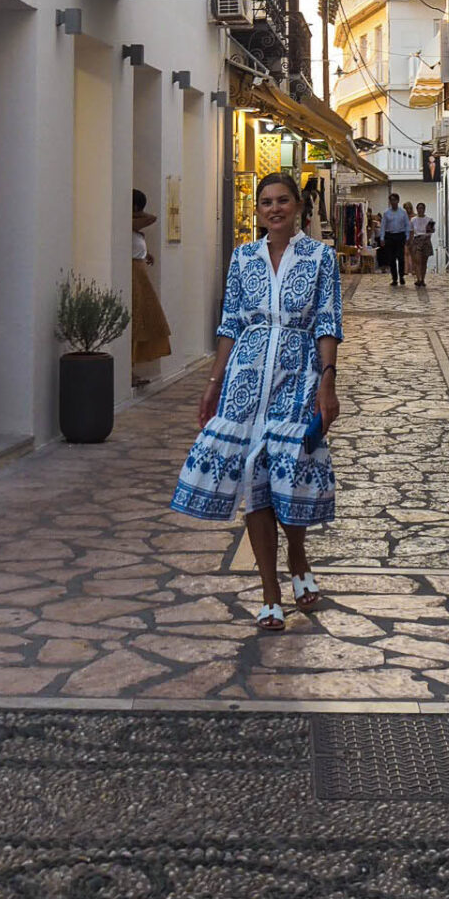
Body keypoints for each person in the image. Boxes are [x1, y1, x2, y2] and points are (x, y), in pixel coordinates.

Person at [172, 172, 342, 631]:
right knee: (253, 481)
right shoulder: (243, 258)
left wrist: (327, 381)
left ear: (298, 207)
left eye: (282, 200)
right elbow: (230, 323)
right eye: (266, 202)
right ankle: (270, 591)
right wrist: (213, 381)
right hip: (246, 382)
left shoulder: (321, 257)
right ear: (259, 210)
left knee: (287, 480)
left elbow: (327, 320)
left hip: (298, 376)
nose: (274, 208)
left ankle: (299, 559)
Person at [131, 190, 172, 381]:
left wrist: (146, 255)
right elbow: (149, 218)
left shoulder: (134, 227)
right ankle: (129, 369)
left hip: (140, 276)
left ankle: (132, 367)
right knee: (136, 320)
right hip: (134, 277)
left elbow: (151, 218)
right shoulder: (128, 224)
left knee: (144, 320)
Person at [379, 192, 409, 286]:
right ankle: (394, 278)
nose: (393, 202)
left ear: (398, 201)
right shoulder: (386, 213)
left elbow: (407, 225)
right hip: (390, 236)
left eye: (394, 200)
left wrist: (407, 236)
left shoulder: (403, 212)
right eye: (391, 200)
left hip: (400, 235)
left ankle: (401, 276)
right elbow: (383, 226)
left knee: (400, 258)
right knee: (391, 258)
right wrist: (382, 238)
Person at [410, 200, 432, 288]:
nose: (420, 210)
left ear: (424, 209)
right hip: (416, 240)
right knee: (417, 261)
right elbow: (411, 232)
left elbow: (430, 232)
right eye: (419, 208)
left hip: (426, 240)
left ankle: (422, 278)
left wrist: (426, 238)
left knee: (424, 261)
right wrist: (411, 242)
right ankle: (418, 279)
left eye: (422, 208)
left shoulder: (429, 220)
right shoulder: (413, 220)